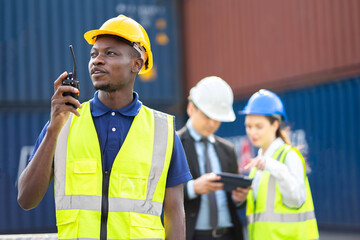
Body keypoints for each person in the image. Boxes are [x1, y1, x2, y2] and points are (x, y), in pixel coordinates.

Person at [17, 15, 192, 240]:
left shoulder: (163, 132)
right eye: (93, 54)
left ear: (136, 64)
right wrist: (52, 130)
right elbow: (26, 200)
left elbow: (175, 212)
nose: (97, 60)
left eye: (110, 53)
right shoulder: (63, 123)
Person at [240, 89, 319, 240]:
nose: (252, 132)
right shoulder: (258, 162)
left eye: (258, 126)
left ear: (275, 124)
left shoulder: (289, 156)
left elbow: (297, 199)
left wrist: (273, 166)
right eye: (248, 126)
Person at [178, 76, 250, 240]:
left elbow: (235, 200)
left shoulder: (227, 149)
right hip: (192, 236)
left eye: (217, 118)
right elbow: (159, 192)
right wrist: (193, 188)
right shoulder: (173, 145)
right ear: (191, 109)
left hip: (229, 235)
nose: (211, 123)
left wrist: (239, 198)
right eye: (207, 116)